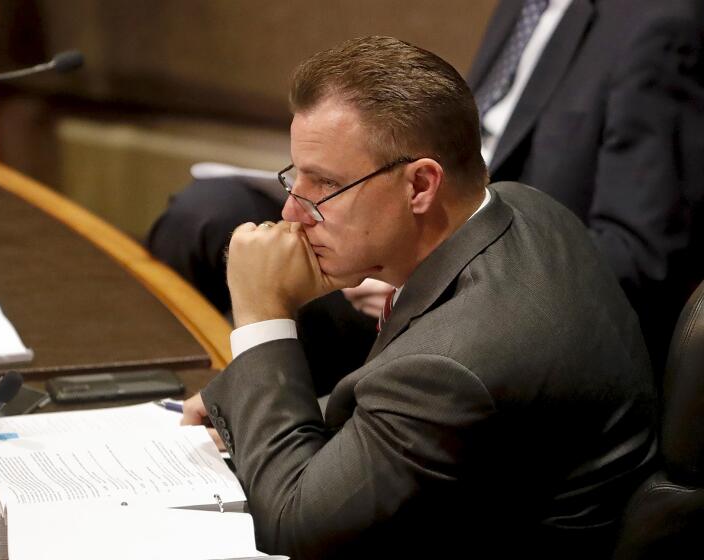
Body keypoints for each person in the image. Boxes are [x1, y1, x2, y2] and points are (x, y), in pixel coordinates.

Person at [181, 36, 656, 559]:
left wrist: (262, 315)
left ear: (421, 186)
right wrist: (247, 396)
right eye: (296, 178)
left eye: (325, 185)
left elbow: (292, 528)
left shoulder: (454, 363)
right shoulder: (523, 208)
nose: (294, 213)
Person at [146, 0, 704, 369]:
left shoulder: (661, 22)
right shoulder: (530, 5)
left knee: (257, 274)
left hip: (485, 282)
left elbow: (642, 262)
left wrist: (421, 276)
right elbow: (473, 133)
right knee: (208, 212)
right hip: (418, 220)